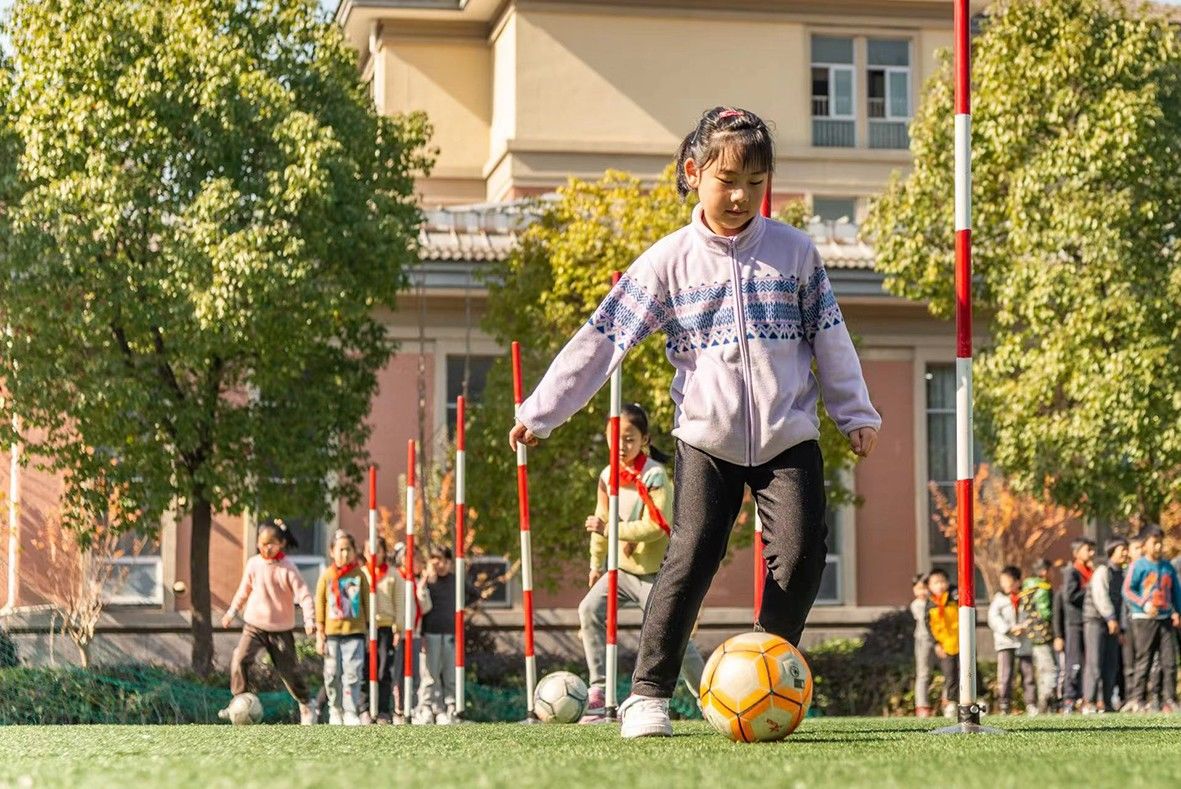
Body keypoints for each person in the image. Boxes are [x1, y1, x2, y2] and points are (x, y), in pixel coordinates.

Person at [508, 106, 880, 739]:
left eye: (755, 182)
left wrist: (854, 412)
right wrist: (542, 412)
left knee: (800, 555)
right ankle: (646, 694)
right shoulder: (667, 263)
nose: (740, 195)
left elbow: (831, 338)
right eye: (726, 178)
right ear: (693, 172)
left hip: (789, 437)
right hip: (707, 436)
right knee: (691, 554)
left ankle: (764, 671)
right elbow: (600, 341)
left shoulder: (795, 253)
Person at [577, 403, 705, 723]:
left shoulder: (654, 475)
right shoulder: (608, 476)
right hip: (620, 571)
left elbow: (657, 525)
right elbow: (601, 521)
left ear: (644, 439)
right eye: (614, 437)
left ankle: (707, 694)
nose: (621, 445)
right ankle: (598, 689)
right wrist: (596, 563)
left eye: (629, 438)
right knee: (588, 610)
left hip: (655, 574)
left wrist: (611, 530)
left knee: (674, 634)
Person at [220, 521, 317, 725]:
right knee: (239, 659)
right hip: (254, 625)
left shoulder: (287, 568)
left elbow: (304, 595)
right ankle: (239, 700)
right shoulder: (254, 564)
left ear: (281, 543)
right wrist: (231, 612)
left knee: (289, 670)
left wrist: (310, 620)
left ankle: (306, 703)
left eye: (271, 544)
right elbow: (243, 591)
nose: (266, 548)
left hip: (280, 630)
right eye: (262, 544)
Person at [1122, 526, 1181, 714]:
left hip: (1165, 618)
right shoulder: (1138, 566)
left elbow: (1176, 593)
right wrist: (1143, 603)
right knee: (1144, 659)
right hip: (1144, 618)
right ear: (1145, 545)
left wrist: (1177, 611)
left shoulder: (1167, 567)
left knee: (1170, 660)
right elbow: (1128, 590)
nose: (1158, 547)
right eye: (1154, 543)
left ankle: (1169, 699)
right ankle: (1138, 698)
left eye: (1160, 543)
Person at [315, 530, 370, 725]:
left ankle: (350, 710)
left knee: (353, 673)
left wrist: (369, 630)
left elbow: (366, 602)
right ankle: (335, 709)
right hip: (332, 634)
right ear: (332, 551)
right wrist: (319, 633)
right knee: (332, 673)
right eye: (340, 550)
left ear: (354, 551)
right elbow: (320, 603)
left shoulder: (360, 575)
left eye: (348, 550)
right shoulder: (327, 576)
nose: (344, 554)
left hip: (354, 632)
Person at [415, 545, 461, 725]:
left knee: (450, 673)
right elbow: (421, 606)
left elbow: (473, 593)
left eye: (443, 560)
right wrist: (425, 581)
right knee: (429, 674)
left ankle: (450, 707)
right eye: (435, 560)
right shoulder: (427, 581)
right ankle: (427, 706)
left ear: (449, 562)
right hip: (431, 632)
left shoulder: (455, 581)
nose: (440, 564)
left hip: (450, 632)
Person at [1082, 537, 1128, 713]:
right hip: (1096, 621)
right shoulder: (1103, 570)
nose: (1125, 552)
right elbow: (1100, 596)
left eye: (1126, 549)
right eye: (1121, 549)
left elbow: (1123, 602)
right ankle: (1089, 702)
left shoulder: (1122, 573)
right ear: (1111, 551)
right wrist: (1110, 617)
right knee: (1094, 662)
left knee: (1111, 663)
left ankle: (1106, 702)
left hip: (1113, 624)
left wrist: (1121, 628)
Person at [361, 537, 401, 724]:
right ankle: (365, 708)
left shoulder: (393, 574)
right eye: (369, 550)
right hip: (366, 627)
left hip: (385, 627)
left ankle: (384, 710)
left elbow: (400, 603)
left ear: (384, 552)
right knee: (365, 668)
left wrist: (398, 627)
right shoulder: (361, 574)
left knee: (384, 669)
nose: (373, 554)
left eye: (377, 549)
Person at [1060, 538, 1096, 713]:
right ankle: (1069, 697)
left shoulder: (1091, 571)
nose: (1092, 553)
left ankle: (1083, 697)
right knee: (1073, 662)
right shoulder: (1072, 572)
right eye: (1088, 550)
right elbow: (1070, 595)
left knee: (1086, 661)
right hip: (1075, 623)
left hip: (1088, 622)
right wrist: (1090, 590)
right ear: (1076, 553)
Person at [988, 566, 1027, 715]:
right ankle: (1004, 703)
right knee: (1005, 674)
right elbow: (994, 618)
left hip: (1024, 641)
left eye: (1008, 581)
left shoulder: (1025, 597)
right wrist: (1009, 628)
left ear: (1017, 581)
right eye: (1003, 581)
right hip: (1005, 642)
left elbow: (1032, 615)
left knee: (1027, 673)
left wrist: (1024, 627)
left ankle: (1030, 703)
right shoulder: (999, 600)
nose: (1005, 584)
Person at [1019, 559, 1056, 714]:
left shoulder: (1027, 588)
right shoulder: (1042, 589)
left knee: (1039, 668)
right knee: (1049, 668)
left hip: (1031, 634)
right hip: (1043, 633)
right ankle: (1045, 699)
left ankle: (1042, 698)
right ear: (1043, 572)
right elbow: (1045, 611)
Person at [925, 568, 959, 719]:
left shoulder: (954, 597)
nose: (940, 586)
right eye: (935, 583)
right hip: (944, 646)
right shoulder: (930, 604)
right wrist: (936, 644)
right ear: (930, 586)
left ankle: (976, 701)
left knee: (970, 673)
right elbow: (929, 626)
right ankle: (951, 703)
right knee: (950, 675)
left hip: (961, 642)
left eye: (942, 581)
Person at [910, 573, 935, 717]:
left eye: (925, 588)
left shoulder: (934, 601)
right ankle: (922, 705)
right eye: (919, 588)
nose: (923, 591)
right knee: (923, 673)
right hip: (923, 639)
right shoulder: (916, 605)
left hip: (939, 639)